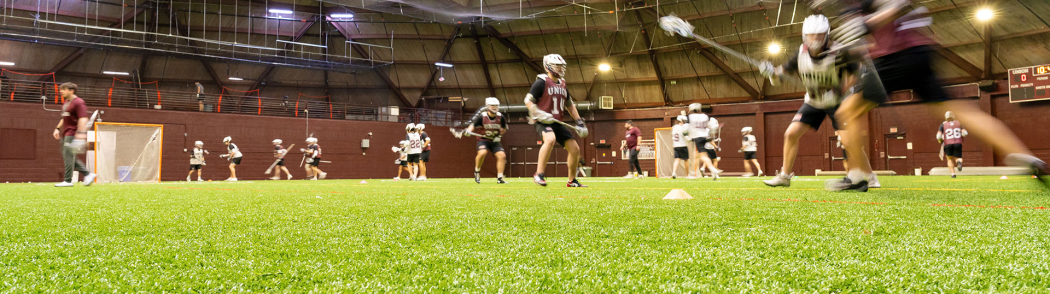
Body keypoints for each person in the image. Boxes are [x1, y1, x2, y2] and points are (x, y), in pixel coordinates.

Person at [825, 0, 1048, 190]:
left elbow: (896, 5)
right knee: (958, 109)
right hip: (919, 53)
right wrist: (845, 49)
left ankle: (855, 176)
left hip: (894, 59)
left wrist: (866, 24)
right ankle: (1023, 154)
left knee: (847, 112)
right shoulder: (849, 6)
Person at [760, 14, 880, 188]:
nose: (815, 39)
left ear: (827, 34)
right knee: (790, 134)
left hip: (839, 101)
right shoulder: (800, 54)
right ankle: (785, 176)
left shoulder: (839, 52)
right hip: (814, 101)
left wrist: (839, 90)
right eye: (811, 35)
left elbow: (857, 74)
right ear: (804, 35)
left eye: (819, 35)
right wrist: (771, 73)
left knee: (849, 142)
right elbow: (780, 75)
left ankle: (870, 177)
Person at [525, 53, 589, 187]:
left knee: (575, 149)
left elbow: (570, 105)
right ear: (548, 67)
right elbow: (528, 100)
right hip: (543, 121)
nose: (560, 69)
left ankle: (572, 181)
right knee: (550, 139)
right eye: (557, 66)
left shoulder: (563, 84)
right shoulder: (541, 82)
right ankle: (539, 174)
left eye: (561, 66)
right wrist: (537, 112)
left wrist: (579, 122)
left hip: (556, 122)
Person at [52, 82, 97, 187]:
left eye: (64, 89)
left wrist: (81, 134)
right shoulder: (66, 102)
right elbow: (64, 117)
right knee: (69, 155)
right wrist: (57, 128)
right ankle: (88, 174)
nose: (61, 91)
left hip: (73, 132)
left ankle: (68, 181)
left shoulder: (78, 102)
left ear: (71, 90)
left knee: (68, 155)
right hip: (66, 132)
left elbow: (83, 118)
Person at [460, 97, 509, 184]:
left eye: (496, 105)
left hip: (494, 140)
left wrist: (500, 135)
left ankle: (500, 178)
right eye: (492, 105)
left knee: (502, 156)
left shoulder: (500, 117)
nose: (494, 107)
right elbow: (473, 125)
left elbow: (504, 129)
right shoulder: (482, 116)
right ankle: (477, 172)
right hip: (483, 139)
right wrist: (468, 131)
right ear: (488, 106)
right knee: (482, 153)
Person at [687, 103, 720, 180]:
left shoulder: (690, 117)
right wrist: (712, 136)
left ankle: (712, 169)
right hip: (704, 137)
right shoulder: (705, 116)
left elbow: (686, 128)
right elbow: (711, 127)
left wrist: (687, 137)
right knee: (697, 156)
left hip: (697, 138)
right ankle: (695, 173)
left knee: (703, 156)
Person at [938, 111, 968, 178]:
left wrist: (940, 140)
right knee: (958, 158)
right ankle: (958, 162)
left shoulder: (943, 125)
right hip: (958, 143)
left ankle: (953, 174)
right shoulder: (959, 123)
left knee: (949, 159)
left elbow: (938, 136)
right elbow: (965, 133)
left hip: (947, 144)